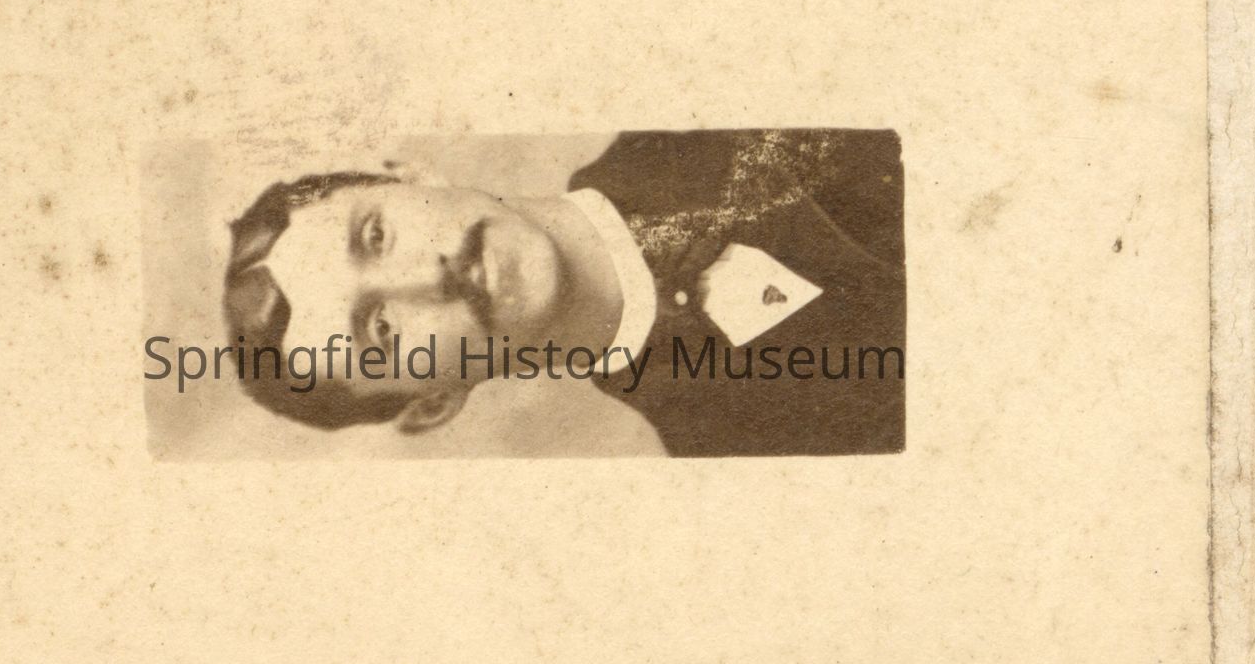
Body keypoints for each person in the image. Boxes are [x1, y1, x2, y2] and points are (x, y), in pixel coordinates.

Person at [218, 129, 905, 457]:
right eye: (384, 331)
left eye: (376, 236)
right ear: (434, 402)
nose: (431, 276)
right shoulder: (736, 452)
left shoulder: (722, 110)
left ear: (411, 175)